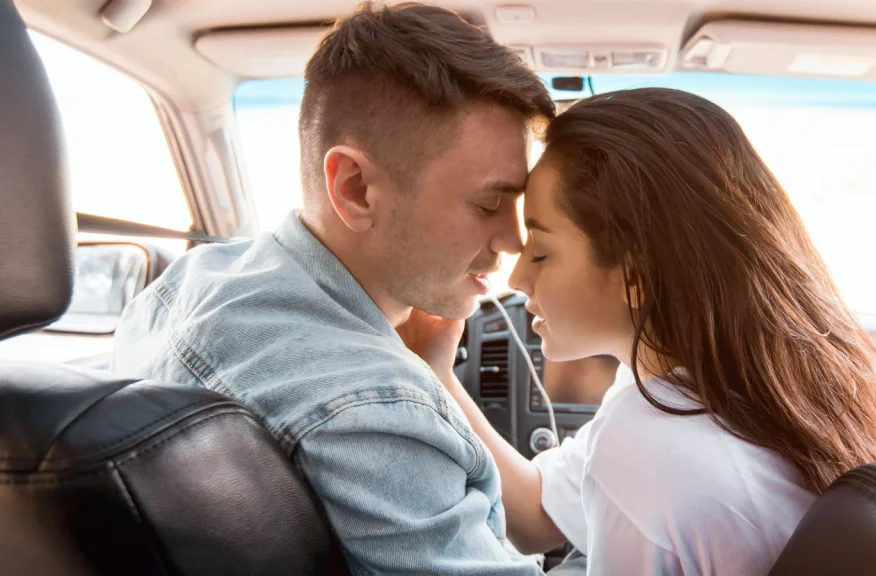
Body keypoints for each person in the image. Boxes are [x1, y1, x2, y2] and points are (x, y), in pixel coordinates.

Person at [112, 3, 555, 574]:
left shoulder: (188, 281)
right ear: (355, 188)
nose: (514, 241)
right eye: (489, 203)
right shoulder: (376, 413)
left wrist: (431, 371)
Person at [411, 88, 876, 575]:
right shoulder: (721, 382)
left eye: (541, 253)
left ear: (636, 277)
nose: (518, 279)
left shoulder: (649, 437)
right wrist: (437, 371)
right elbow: (538, 515)